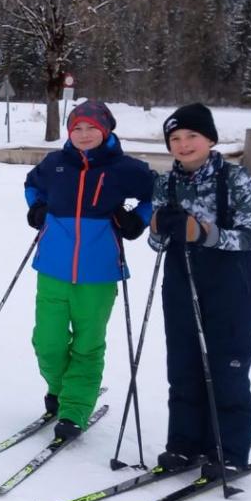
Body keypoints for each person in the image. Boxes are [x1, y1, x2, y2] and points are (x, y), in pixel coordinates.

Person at [23, 100, 153, 439]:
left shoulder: (124, 168)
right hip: (52, 267)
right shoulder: (55, 163)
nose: (83, 134)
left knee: (87, 345)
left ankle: (75, 409)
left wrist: (137, 220)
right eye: (76, 128)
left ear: (105, 130)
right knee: (47, 342)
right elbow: (31, 184)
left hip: (99, 273)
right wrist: (37, 209)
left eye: (91, 128)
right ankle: (60, 388)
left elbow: (157, 195)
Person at [148, 103, 251, 477]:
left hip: (230, 282)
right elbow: (157, 244)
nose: (183, 144)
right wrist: (157, 229)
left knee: (227, 364)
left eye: (192, 136)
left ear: (210, 138)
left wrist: (204, 233)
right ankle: (184, 443)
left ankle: (228, 449)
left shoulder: (234, 179)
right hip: (180, 278)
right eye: (175, 138)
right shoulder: (165, 183)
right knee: (183, 364)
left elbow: (248, 235)